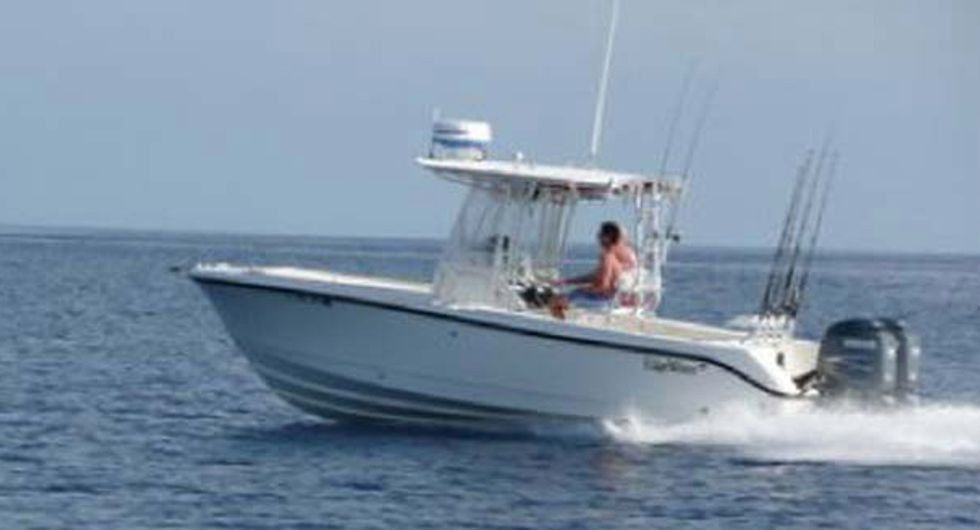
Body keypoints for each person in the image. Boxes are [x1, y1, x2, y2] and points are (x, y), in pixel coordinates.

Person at [549, 221, 637, 319]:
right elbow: (597, 277)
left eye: (600, 234)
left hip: (603, 300)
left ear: (606, 238)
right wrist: (566, 281)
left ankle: (559, 329)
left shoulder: (607, 256)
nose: (597, 237)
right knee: (565, 298)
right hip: (609, 298)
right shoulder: (614, 257)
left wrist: (580, 290)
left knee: (555, 301)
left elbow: (603, 286)